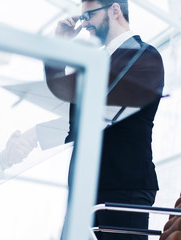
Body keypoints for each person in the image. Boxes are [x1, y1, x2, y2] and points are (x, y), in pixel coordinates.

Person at [44, 1, 164, 239]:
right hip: (84, 187)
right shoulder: (92, 64)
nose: (84, 22)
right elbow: (61, 95)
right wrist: (59, 45)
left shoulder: (145, 55)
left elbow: (107, 106)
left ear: (115, 10)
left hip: (123, 188)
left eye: (89, 15)